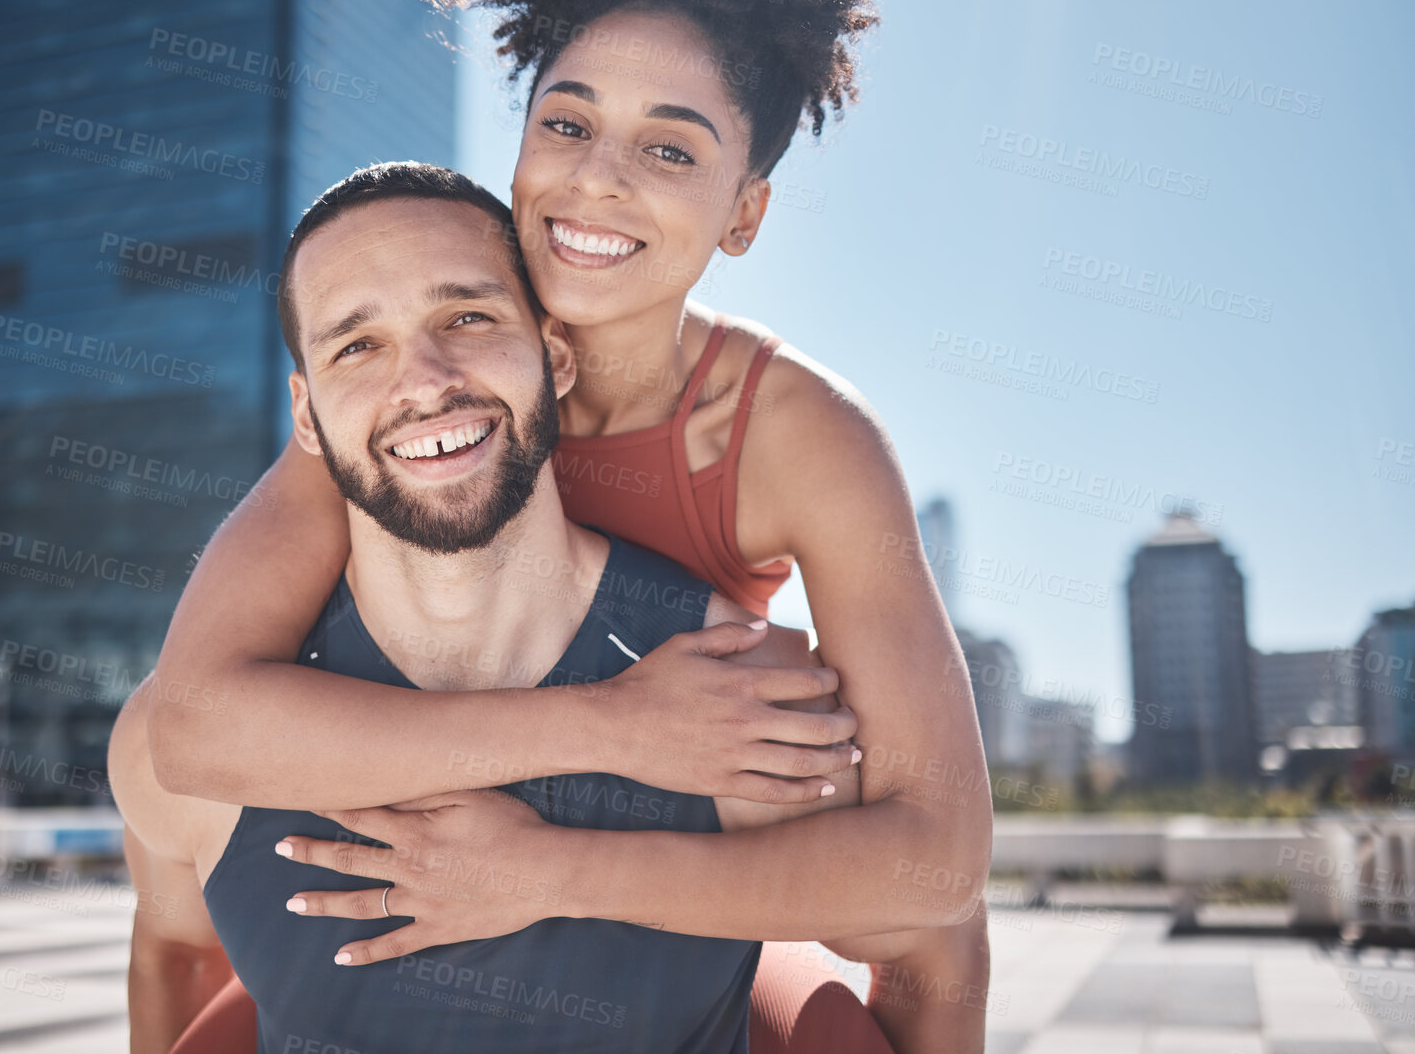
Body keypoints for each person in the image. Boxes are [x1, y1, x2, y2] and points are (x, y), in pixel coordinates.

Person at [148, 0, 993, 1050]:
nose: (597, 180)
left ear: (744, 212)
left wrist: (557, 866)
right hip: (463, 781)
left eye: (671, 148)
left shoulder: (798, 434)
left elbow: (936, 861)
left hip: (673, 851)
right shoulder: (427, 380)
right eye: (568, 121)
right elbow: (192, 724)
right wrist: (606, 728)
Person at [114, 164, 878, 1053]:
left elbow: (925, 937)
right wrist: (607, 729)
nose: (425, 380)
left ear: (554, 357)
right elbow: (172, 952)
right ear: (309, 417)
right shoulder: (181, 742)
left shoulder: (743, 701)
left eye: (466, 317)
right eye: (357, 346)